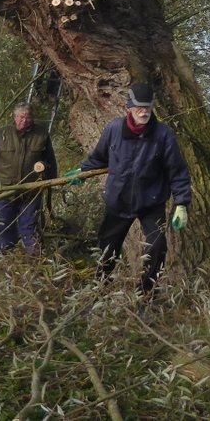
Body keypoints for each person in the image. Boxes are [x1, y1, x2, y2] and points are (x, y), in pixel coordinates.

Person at [66, 83, 192, 294]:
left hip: (151, 202)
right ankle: (100, 291)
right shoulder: (114, 129)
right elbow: (99, 157)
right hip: (118, 201)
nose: (144, 112)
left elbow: (177, 171)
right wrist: (81, 171)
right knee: (107, 251)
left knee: (157, 248)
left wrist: (182, 204)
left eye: (148, 108)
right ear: (129, 108)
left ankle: (146, 295)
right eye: (139, 108)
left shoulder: (163, 135)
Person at [0, 104, 57, 255]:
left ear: (33, 118)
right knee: (1, 227)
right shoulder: (2, 134)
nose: (24, 121)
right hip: (4, 190)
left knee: (31, 228)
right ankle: (2, 260)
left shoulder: (42, 135)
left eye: (28, 117)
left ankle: (35, 261)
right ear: (14, 117)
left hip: (31, 191)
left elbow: (50, 160)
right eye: (21, 117)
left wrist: (50, 179)